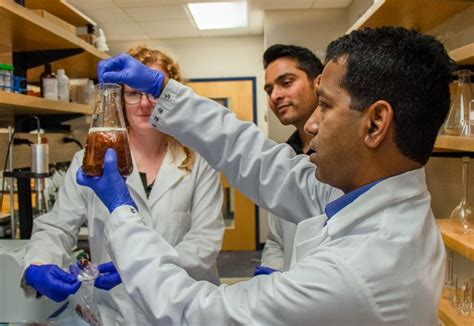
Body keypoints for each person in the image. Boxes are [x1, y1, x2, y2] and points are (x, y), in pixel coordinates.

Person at [79, 27, 454, 324]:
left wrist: (121, 212)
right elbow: (263, 164)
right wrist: (164, 92)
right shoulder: (378, 195)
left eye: (324, 105)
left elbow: (196, 313)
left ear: (375, 124)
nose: (311, 122)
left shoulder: (354, 272)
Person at [22, 45, 225, 324]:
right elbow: (57, 226)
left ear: (169, 95)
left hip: (185, 309)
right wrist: (38, 264)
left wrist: (141, 265)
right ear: (118, 99)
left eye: (153, 91)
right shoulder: (89, 161)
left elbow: (205, 242)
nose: (144, 103)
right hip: (115, 312)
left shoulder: (198, 161)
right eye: (132, 93)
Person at [258, 44, 342, 273]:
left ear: (318, 83)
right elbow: (276, 239)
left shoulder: (345, 155)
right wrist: (268, 277)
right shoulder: (286, 154)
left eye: (286, 82)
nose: (275, 95)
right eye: (269, 90)